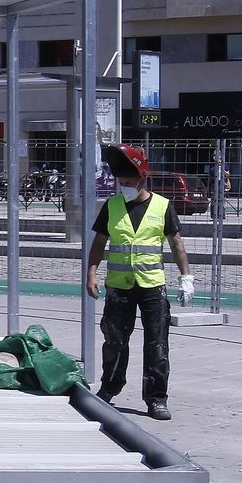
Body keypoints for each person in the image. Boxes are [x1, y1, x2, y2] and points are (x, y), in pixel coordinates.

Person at [85, 144, 193, 421]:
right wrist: (91, 273)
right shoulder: (112, 206)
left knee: (156, 344)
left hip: (152, 287)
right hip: (119, 286)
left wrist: (186, 278)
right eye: (121, 182)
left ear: (143, 178)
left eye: (129, 182)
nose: (124, 186)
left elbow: (176, 243)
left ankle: (156, 399)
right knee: (114, 341)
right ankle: (109, 388)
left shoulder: (162, 206)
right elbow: (99, 242)